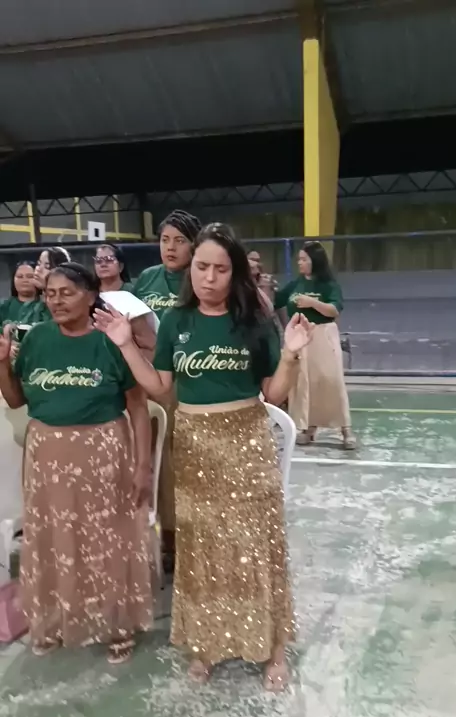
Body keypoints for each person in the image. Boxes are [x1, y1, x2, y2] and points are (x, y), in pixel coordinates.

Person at [94, 223, 314, 690]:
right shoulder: (176, 321)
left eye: (220, 269)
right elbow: (159, 387)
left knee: (256, 546)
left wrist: (292, 355)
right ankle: (207, 643)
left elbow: (273, 392)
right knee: (202, 549)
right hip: (194, 445)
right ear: (191, 269)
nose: (209, 278)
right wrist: (125, 343)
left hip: (246, 441)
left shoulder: (254, 321)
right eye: (201, 267)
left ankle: (273, 648)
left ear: (235, 274)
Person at [0, 262, 153, 663]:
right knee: (54, 539)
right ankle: (54, 619)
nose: (56, 301)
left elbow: (138, 408)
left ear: (90, 297)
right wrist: (1, 365)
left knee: (107, 539)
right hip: (47, 455)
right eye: (50, 294)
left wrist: (143, 466)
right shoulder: (37, 339)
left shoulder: (111, 340)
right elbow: (16, 400)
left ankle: (116, 624)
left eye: (67, 293)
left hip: (102, 451)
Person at [133, 209, 202, 567]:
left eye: (179, 241)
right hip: (147, 378)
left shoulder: (200, 280)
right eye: (164, 240)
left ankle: (181, 539)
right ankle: (155, 536)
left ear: (194, 245)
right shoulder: (147, 278)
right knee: (150, 460)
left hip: (184, 382)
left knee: (179, 463)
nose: (170, 248)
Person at [275, 241, 355, 450]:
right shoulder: (296, 284)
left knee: (331, 381)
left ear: (315, 261)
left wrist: (312, 303)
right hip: (300, 337)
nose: (299, 263)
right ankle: (309, 428)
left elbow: (334, 310)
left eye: (304, 259)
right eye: (299, 259)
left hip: (322, 335)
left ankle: (345, 429)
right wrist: (264, 288)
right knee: (303, 383)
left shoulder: (328, 285)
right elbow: (276, 300)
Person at [94, 243, 156, 357]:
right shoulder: (90, 295)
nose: (103, 264)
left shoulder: (133, 292)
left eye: (109, 259)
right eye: (98, 261)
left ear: (121, 266)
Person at [0, 262, 47, 331]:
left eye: (30, 276)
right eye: (20, 276)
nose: (25, 280)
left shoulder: (46, 306)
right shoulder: (3, 306)